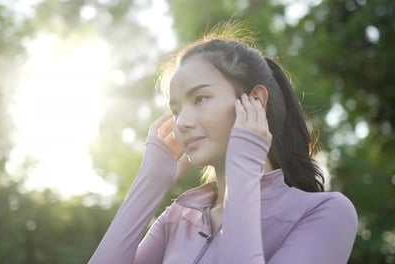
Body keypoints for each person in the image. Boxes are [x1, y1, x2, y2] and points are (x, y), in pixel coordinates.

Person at [89, 22, 358, 264]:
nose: (181, 122)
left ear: (255, 101)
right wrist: (149, 183)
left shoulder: (326, 213)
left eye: (200, 99)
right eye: (176, 110)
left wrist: (243, 168)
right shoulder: (179, 217)